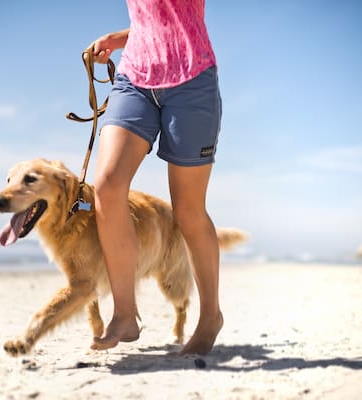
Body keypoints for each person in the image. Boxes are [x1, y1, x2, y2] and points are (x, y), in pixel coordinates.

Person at [89, 0, 223, 355]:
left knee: (188, 212)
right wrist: (122, 37)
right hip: (134, 77)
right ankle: (125, 313)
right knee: (106, 186)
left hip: (192, 80)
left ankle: (210, 315)